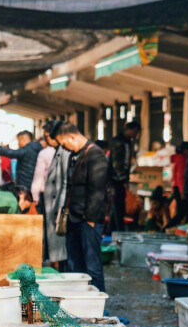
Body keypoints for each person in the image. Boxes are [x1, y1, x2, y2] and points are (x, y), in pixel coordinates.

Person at [57, 123, 108, 292]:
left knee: (92, 265)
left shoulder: (95, 155)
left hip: (87, 221)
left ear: (72, 137)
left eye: (64, 144)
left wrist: (91, 219)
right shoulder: (77, 155)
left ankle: (98, 304)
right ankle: (79, 301)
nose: (64, 148)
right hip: (74, 218)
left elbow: (97, 191)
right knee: (74, 265)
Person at [43, 122, 70, 268]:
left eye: (48, 136)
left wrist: (60, 209)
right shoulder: (58, 150)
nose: (47, 139)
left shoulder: (64, 152)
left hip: (57, 207)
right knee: (57, 249)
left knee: (61, 249)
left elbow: (65, 182)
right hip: (54, 206)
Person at [109, 121, 140, 233]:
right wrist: (123, 179)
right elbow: (117, 162)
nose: (135, 135)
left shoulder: (128, 142)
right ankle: (119, 230)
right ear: (129, 130)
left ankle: (111, 230)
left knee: (117, 205)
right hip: (116, 179)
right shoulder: (120, 142)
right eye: (135, 132)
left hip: (120, 179)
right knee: (119, 205)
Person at [169, 142, 188, 223]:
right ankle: (165, 230)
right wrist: (182, 192)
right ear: (185, 150)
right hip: (180, 189)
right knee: (181, 214)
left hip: (177, 187)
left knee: (182, 213)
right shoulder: (181, 159)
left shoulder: (177, 158)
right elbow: (180, 177)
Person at [31, 134, 56, 211]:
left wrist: (35, 196)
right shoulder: (67, 151)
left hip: (45, 193)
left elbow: (38, 176)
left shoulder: (44, 153)